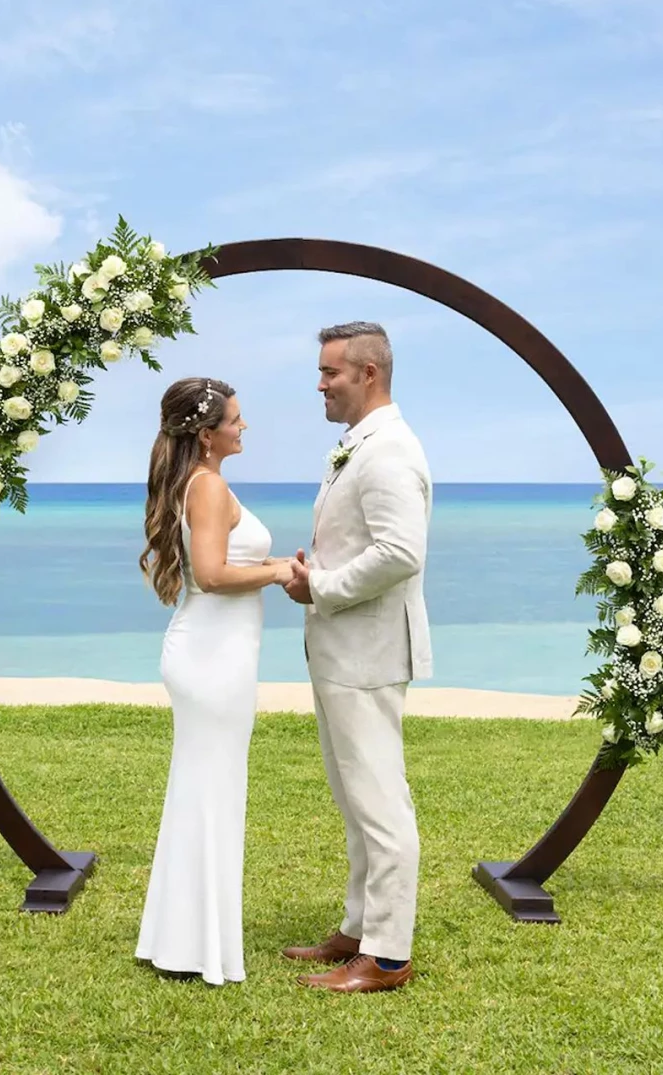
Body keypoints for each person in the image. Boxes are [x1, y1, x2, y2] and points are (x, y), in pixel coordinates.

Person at [280, 321, 432, 994]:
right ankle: (359, 926)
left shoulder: (388, 450)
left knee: (379, 799)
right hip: (342, 646)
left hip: (367, 648)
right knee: (353, 795)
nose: (319, 383)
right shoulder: (358, 446)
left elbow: (402, 551)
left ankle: (389, 955)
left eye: (329, 372)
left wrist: (323, 586)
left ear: (367, 373)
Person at [134, 376, 295, 985]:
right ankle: (195, 947)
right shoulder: (207, 486)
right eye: (235, 419)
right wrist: (278, 569)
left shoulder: (199, 482)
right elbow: (211, 573)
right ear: (207, 436)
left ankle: (181, 942)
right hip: (210, 657)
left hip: (217, 651)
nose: (244, 426)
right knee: (211, 794)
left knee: (204, 793)